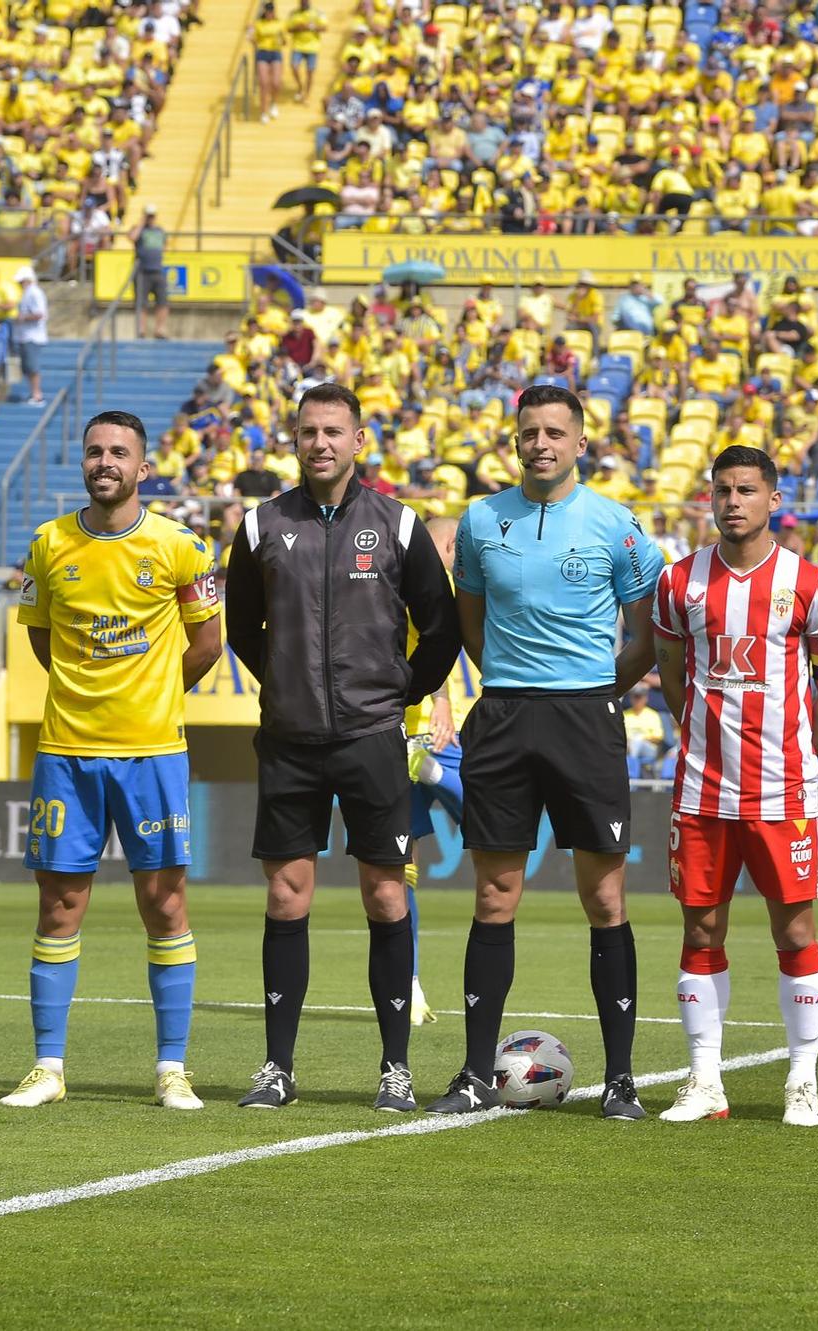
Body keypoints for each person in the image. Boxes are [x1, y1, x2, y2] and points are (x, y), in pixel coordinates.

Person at [222, 382, 460, 1112]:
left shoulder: (399, 524)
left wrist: (395, 694)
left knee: (386, 895)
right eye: (308, 431)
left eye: (334, 430)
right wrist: (290, 687)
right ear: (294, 441)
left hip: (370, 738)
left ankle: (395, 1067)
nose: (320, 442)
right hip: (291, 743)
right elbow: (240, 629)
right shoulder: (262, 527)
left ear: (360, 440)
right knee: (287, 895)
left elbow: (443, 627)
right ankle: (277, 1068)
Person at [426, 383, 661, 1121]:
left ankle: (621, 1078)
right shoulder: (479, 520)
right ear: (516, 439)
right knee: (495, 895)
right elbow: (469, 621)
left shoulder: (615, 525)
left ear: (580, 442)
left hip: (587, 718)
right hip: (502, 717)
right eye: (529, 431)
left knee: (605, 897)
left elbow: (646, 634)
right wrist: (510, 686)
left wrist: (596, 690)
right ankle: (471, 1070)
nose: (541, 443)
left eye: (555, 432)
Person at [0, 412, 225, 1113]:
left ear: (143, 468)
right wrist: (87, 689)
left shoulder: (181, 546)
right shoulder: (47, 545)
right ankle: (48, 1066)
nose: (105, 462)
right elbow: (39, 638)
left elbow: (209, 643)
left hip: (152, 752)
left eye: (119, 452)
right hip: (67, 751)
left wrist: (150, 693)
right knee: (60, 903)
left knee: (165, 903)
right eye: (95, 450)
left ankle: (172, 1069)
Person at [649, 445, 818, 1126]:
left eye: (747, 490)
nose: (733, 501)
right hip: (702, 788)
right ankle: (705, 1080)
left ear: (774, 498)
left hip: (782, 790)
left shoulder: (811, 583)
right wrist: (699, 733)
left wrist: (798, 756)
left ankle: (802, 1081)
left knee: (793, 927)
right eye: (724, 490)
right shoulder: (679, 582)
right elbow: (672, 670)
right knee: (701, 924)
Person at [403, 514, 465, 1028]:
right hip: (427, 735)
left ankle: (412, 983)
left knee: (401, 872)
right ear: (447, 545)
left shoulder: (395, 571)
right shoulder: (434, 579)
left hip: (400, 738)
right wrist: (441, 700)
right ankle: (435, 775)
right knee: (490, 820)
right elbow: (433, 641)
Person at [128, 206, 171, 341]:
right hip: (142, 271)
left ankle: (160, 329)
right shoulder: (139, 229)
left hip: (157, 270)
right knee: (141, 303)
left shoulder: (160, 231)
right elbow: (132, 237)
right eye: (148, 215)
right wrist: (141, 223)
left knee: (162, 302)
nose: (150, 218)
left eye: (152, 215)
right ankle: (141, 330)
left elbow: (165, 246)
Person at [12, 266, 48, 406]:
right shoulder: (28, 293)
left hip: (32, 335)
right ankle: (33, 393)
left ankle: (37, 394)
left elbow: (40, 313)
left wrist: (22, 318)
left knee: (32, 366)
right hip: (25, 335)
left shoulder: (35, 293)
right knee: (27, 367)